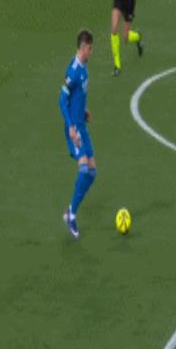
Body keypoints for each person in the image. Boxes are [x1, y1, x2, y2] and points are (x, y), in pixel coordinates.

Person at [59, 30, 97, 238]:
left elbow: (77, 97)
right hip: (74, 129)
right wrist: (71, 126)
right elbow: (61, 100)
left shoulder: (84, 68)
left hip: (81, 125)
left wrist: (83, 111)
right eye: (90, 48)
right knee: (83, 168)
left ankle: (70, 210)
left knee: (92, 173)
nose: (91, 52)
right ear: (83, 48)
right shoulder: (73, 71)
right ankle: (71, 215)